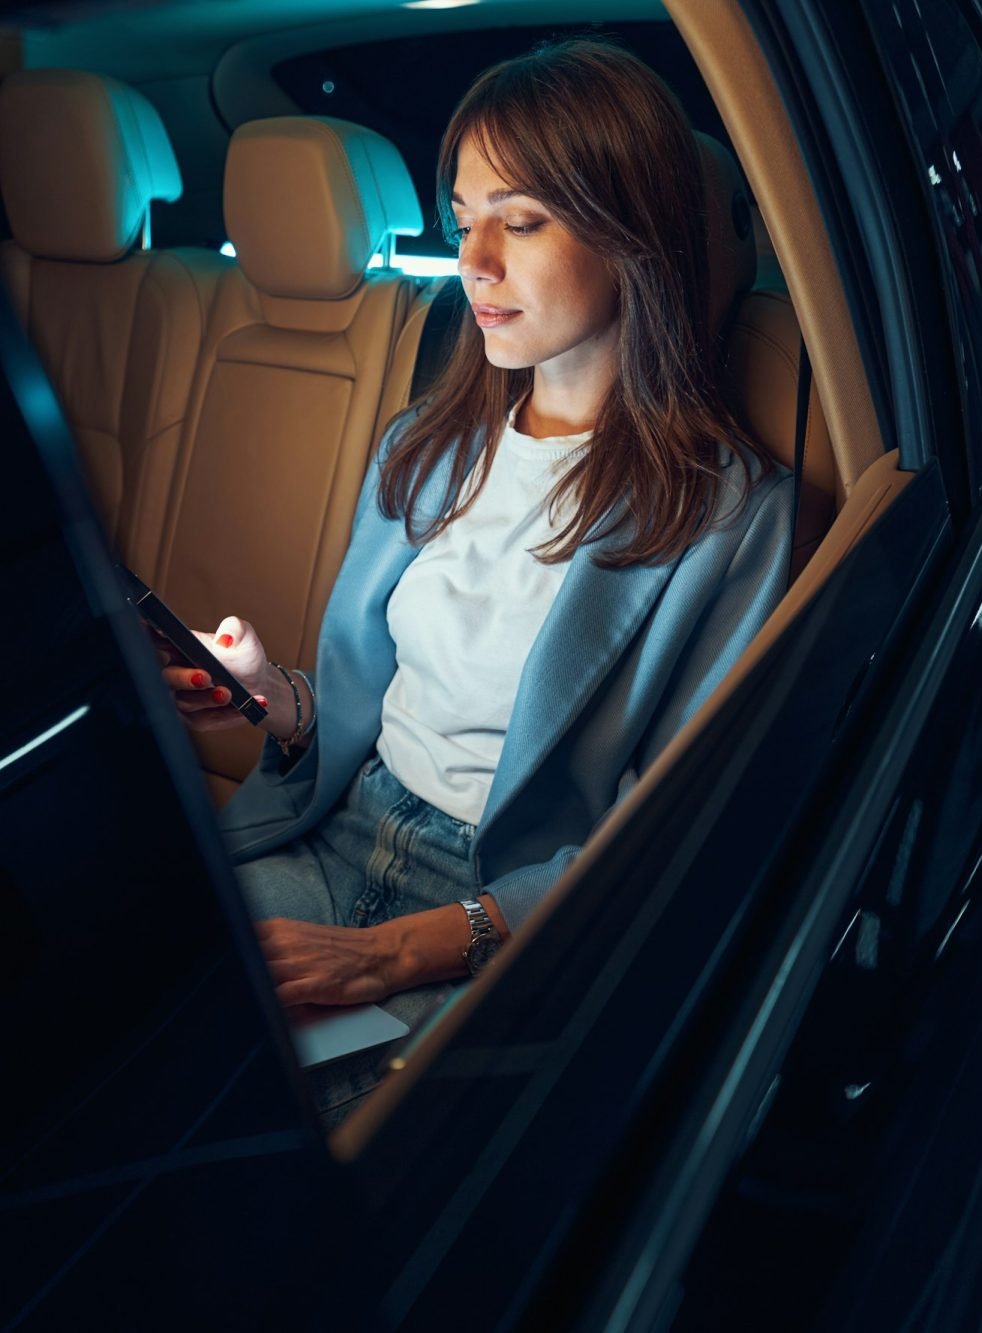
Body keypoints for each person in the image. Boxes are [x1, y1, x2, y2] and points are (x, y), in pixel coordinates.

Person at [162, 38, 794, 1123]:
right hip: (331, 828)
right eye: (462, 221)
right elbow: (378, 705)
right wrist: (278, 696)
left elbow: (664, 830)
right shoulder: (428, 442)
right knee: (128, 1034)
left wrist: (397, 954)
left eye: (524, 218)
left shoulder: (732, 513)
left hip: (501, 906)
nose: (476, 261)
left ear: (632, 227)